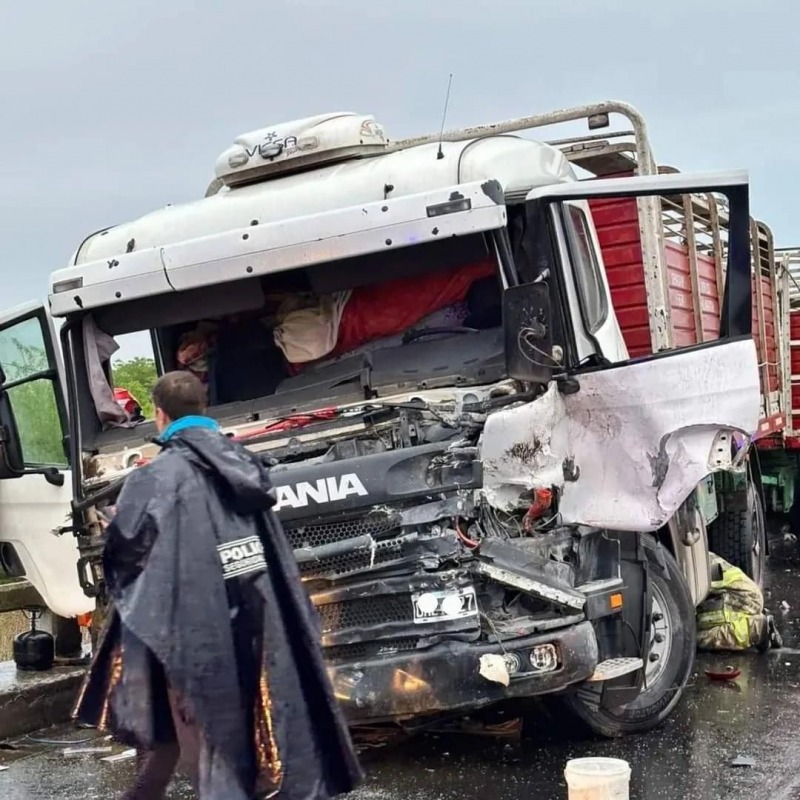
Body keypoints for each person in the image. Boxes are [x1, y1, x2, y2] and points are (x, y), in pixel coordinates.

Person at [73, 371, 362, 800]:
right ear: (204, 409)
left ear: (158, 414)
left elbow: (125, 554)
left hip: (188, 630)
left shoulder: (154, 477)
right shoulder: (244, 464)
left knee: (195, 733)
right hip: (259, 616)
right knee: (249, 727)